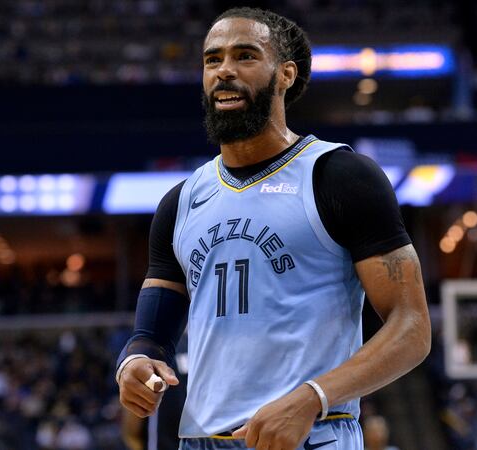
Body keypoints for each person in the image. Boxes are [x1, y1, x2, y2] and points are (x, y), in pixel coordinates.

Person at [116, 7, 431, 450]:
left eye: (245, 56)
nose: (224, 70)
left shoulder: (339, 176)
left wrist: (312, 397)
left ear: (285, 74)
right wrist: (133, 363)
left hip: (312, 432)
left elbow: (412, 327)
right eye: (212, 59)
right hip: (201, 440)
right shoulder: (180, 202)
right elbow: (151, 336)